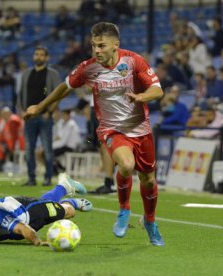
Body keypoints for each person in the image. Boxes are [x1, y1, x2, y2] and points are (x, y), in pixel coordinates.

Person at [24, 22, 165, 246]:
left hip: (141, 129)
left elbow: (158, 90)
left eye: (101, 45)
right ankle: (124, 209)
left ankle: (150, 221)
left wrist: (141, 97)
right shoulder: (88, 68)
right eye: (93, 46)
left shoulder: (134, 61)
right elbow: (64, 87)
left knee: (148, 179)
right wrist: (40, 107)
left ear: (115, 45)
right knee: (126, 165)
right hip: (111, 129)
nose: (96, 50)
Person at [18, 46, 61, 186]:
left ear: (46, 58)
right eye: (36, 54)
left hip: (44, 117)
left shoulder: (52, 74)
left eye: (42, 55)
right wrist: (22, 112)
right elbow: (20, 95)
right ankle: (31, 178)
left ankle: (48, 178)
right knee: (29, 150)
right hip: (29, 118)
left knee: (47, 149)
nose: (38, 57)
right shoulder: (26, 74)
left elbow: (58, 94)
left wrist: (49, 112)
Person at [52, 109, 82, 174]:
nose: (62, 117)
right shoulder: (63, 124)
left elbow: (63, 141)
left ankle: (61, 169)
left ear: (68, 115)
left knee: (50, 154)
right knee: (50, 153)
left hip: (72, 147)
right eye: (62, 115)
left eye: (64, 115)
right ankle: (60, 169)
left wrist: (51, 146)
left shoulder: (71, 124)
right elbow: (59, 137)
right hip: (66, 146)